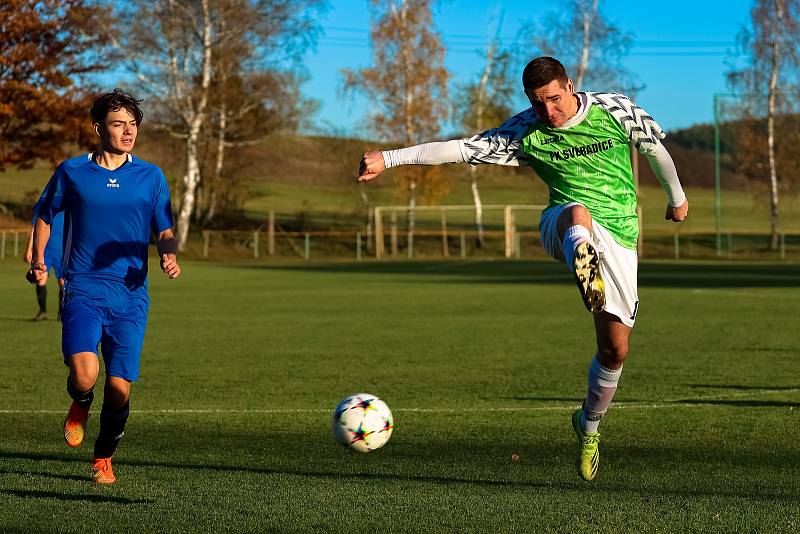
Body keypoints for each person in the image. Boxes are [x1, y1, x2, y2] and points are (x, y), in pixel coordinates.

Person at [357, 57, 688, 481]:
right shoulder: (524, 130)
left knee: (615, 349)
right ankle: (582, 255)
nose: (548, 112)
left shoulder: (615, 109)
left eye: (554, 99)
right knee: (576, 212)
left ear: (571, 86)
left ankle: (588, 425)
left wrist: (676, 197)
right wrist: (390, 157)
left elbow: (654, 148)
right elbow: (459, 149)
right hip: (562, 223)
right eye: (537, 103)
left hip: (621, 236)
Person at [28, 89, 181, 485]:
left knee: (118, 390)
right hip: (83, 287)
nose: (128, 131)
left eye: (133, 124)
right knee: (85, 374)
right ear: (98, 128)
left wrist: (168, 253)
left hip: (131, 295)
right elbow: (45, 215)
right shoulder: (72, 171)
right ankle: (79, 403)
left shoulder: (151, 176)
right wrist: (38, 259)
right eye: (119, 124)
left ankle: (103, 458)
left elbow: (164, 227)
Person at [25, 210, 65, 321]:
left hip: (61, 252)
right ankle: (42, 311)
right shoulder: (45, 208)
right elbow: (34, 229)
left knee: (62, 282)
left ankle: (61, 313)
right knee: (41, 279)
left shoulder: (67, 208)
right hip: (45, 252)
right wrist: (29, 250)